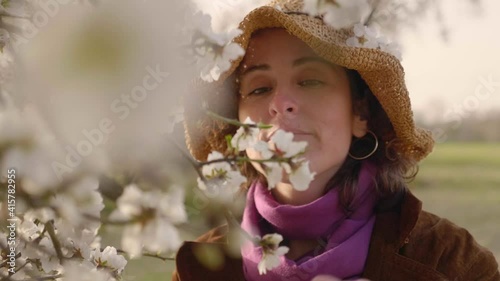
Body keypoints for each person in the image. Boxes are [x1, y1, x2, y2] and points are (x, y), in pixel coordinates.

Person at [173, 0, 500, 280]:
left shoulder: (449, 259)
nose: (281, 102)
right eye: (260, 88)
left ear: (360, 114)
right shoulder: (196, 268)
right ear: (238, 126)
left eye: (310, 81)